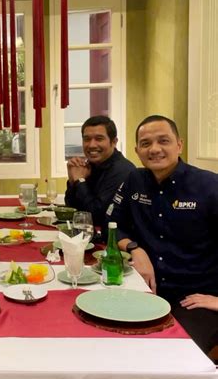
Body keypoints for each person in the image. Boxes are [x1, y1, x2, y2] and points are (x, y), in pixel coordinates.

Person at [107, 115, 218, 354]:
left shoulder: (210, 186)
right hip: (144, 291)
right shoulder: (134, 180)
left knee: (171, 356)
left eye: (163, 141)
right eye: (146, 143)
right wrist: (135, 249)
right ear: (137, 151)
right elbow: (113, 224)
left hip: (195, 300)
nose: (154, 149)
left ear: (179, 145)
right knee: (109, 343)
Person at [64, 116, 135, 230]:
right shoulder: (92, 165)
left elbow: (96, 216)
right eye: (87, 139)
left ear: (114, 142)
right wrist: (73, 181)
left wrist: (79, 181)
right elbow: (72, 209)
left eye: (99, 139)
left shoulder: (122, 170)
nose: (92, 145)